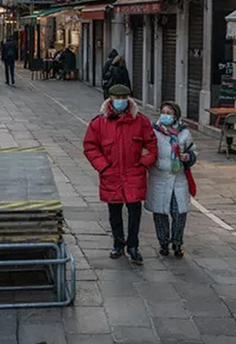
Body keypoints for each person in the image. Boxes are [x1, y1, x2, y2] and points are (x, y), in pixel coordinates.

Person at [83, 84, 157, 265]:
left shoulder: (141, 121)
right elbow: (90, 147)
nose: (121, 102)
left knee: (135, 212)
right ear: (110, 100)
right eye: (118, 99)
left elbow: (152, 146)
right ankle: (118, 243)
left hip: (134, 173)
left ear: (129, 100)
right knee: (114, 212)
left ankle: (133, 245)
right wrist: (103, 167)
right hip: (112, 174)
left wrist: (143, 164)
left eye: (124, 99)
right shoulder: (99, 123)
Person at [146, 102, 197, 258]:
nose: (165, 115)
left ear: (176, 115)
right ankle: (163, 244)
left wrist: (187, 157)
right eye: (163, 112)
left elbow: (193, 151)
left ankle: (177, 243)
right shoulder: (153, 132)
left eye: (169, 113)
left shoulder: (184, 133)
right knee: (160, 213)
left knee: (179, 213)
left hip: (178, 178)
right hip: (159, 177)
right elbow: (147, 150)